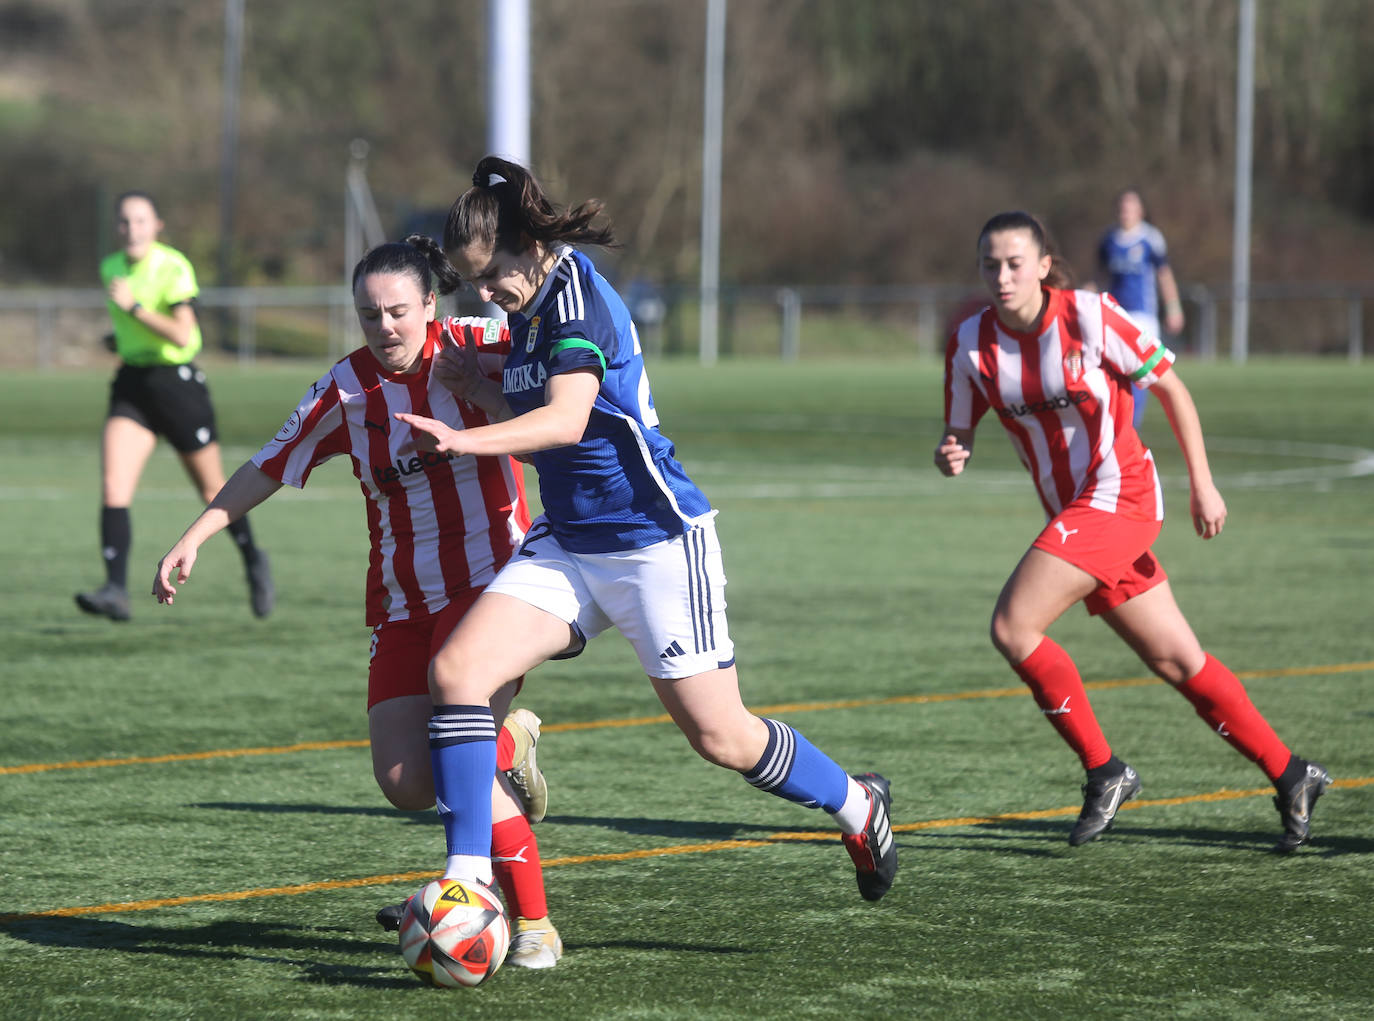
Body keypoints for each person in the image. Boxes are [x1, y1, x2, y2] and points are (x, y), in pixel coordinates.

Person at [390, 156, 898, 906]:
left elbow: (565, 422)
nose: (487, 293)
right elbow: (554, 430)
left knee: (722, 737)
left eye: (492, 272)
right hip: (569, 540)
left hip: (654, 540)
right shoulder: (529, 313)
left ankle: (858, 805)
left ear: (529, 244)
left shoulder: (573, 303)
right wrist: (484, 392)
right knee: (458, 675)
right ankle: (466, 880)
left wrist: (463, 436)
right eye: (475, 282)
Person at [153, 237, 562, 968]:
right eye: (369, 314)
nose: (386, 328)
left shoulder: (479, 346)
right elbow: (266, 465)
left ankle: (530, 919)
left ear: (431, 304)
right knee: (405, 780)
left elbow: (560, 357)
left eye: (399, 311)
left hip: (493, 582)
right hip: (402, 599)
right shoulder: (346, 390)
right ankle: (509, 747)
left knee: (451, 743)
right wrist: (198, 534)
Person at [935, 210, 1330, 854]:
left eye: (1014, 263)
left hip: (1122, 497)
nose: (1001, 277)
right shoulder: (972, 344)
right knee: (1179, 661)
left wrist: (1203, 482)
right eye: (989, 264)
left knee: (1012, 626)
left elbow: (1172, 390)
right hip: (1075, 515)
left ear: (1042, 265)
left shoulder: (1090, 316)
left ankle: (1104, 771)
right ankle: (1291, 774)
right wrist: (952, 451)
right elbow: (958, 432)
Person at [78, 190, 273, 622]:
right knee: (114, 486)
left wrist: (136, 308)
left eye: (141, 221)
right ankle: (115, 590)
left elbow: (183, 335)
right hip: (132, 383)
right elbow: (132, 329)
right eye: (125, 222)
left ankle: (254, 562)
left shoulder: (172, 266)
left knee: (211, 490)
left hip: (177, 386)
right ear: (116, 227)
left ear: (157, 226)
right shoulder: (111, 267)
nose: (132, 229)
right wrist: (120, 338)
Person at [1096, 188, 1186, 431]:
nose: (1125, 211)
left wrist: (1173, 307)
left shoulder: (1150, 238)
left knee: (1142, 373)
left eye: (1131, 206)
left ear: (1140, 210)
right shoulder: (1108, 240)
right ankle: (1114, 421)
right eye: (1122, 206)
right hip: (1114, 315)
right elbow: (1100, 276)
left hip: (1142, 316)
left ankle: (1131, 425)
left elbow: (1164, 275)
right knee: (1112, 371)